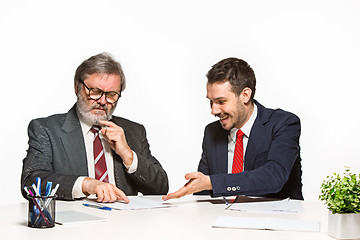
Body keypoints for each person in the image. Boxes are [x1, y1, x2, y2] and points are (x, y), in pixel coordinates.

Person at [21, 52, 169, 203]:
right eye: (96, 92)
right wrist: (87, 184)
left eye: (111, 94)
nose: (103, 101)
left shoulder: (134, 131)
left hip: (125, 221)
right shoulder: (46, 129)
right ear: (77, 87)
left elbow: (160, 189)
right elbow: (31, 181)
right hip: (76, 222)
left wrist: (128, 155)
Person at [163, 57, 303, 201]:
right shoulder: (212, 132)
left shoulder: (283, 123)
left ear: (245, 95)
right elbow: (203, 191)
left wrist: (212, 183)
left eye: (221, 101)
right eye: (211, 101)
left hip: (275, 219)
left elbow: (274, 177)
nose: (213, 110)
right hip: (222, 218)